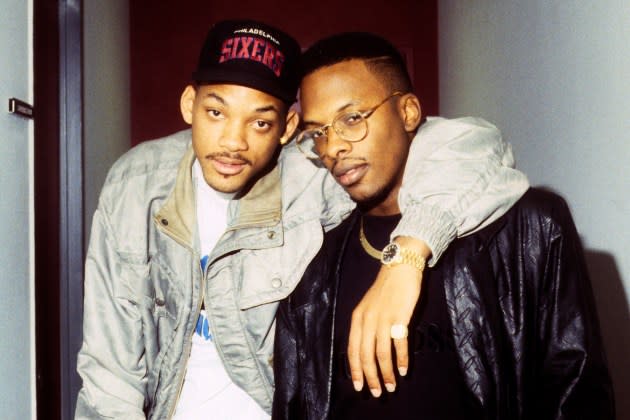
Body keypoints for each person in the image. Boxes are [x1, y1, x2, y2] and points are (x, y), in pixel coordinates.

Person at [75, 20, 527, 419]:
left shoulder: (313, 172)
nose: (233, 141)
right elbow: (109, 368)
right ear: (189, 103)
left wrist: (406, 258)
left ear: (287, 129)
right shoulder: (136, 183)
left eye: (260, 122)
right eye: (216, 112)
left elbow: (473, 145)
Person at [273, 32, 615, 419]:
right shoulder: (313, 259)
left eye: (352, 119)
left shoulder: (529, 226)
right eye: (318, 132)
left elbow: (577, 391)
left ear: (408, 113)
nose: (332, 147)